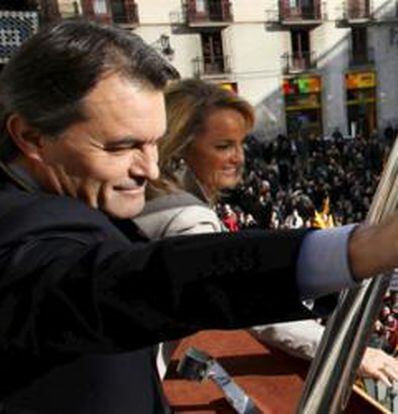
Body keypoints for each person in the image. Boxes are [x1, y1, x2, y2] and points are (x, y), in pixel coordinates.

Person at [0, 21, 398, 414]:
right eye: (122, 146)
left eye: (153, 143)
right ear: (31, 137)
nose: (148, 169)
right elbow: (141, 282)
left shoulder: (56, 202)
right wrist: (360, 249)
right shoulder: (13, 240)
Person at [135, 78, 398, 386]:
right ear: (179, 147)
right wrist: (347, 353)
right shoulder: (185, 217)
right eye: (223, 146)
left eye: (240, 144)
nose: (239, 157)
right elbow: (246, 301)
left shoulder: (145, 194)